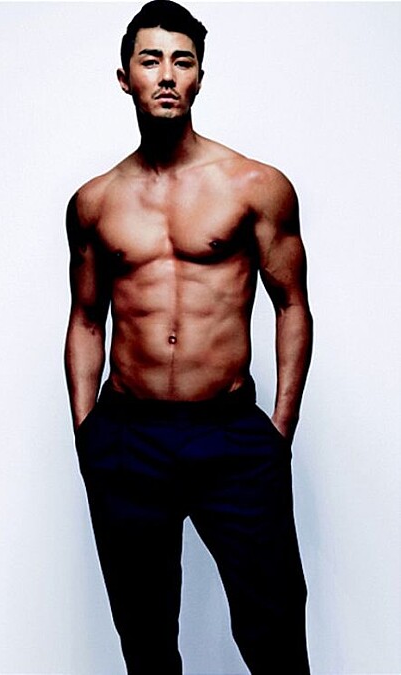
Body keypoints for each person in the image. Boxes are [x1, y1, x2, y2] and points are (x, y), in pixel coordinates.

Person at [64, 1, 313, 672]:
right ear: (126, 78)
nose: (168, 75)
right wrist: (88, 432)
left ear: (201, 75)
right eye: (151, 60)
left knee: (274, 628)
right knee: (145, 639)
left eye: (183, 60)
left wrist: (277, 432)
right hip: (128, 437)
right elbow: (86, 318)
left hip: (230, 434)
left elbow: (292, 305)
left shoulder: (254, 186)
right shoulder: (95, 202)